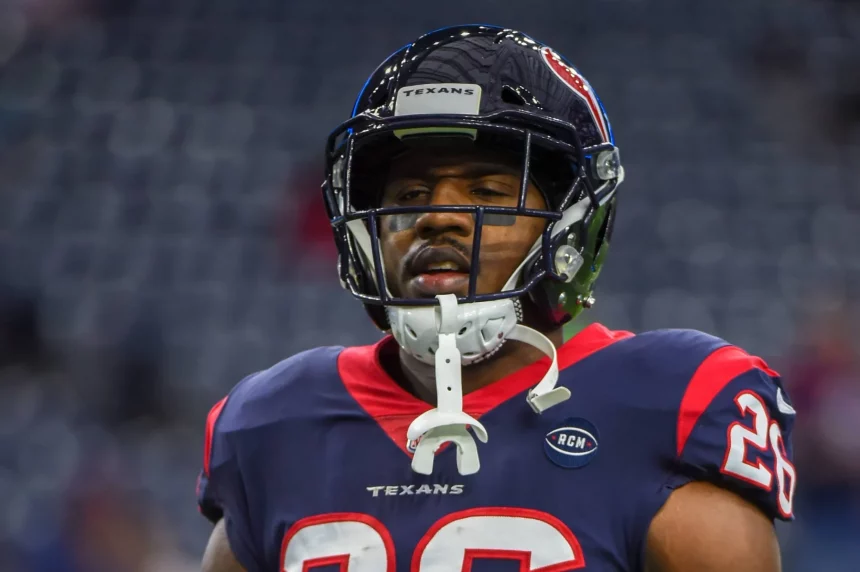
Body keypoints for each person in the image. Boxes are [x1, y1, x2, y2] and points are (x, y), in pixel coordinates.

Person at [199, 25, 796, 571]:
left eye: (487, 191)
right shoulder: (274, 425)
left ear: (571, 226)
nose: (437, 216)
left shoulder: (673, 404)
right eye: (409, 194)